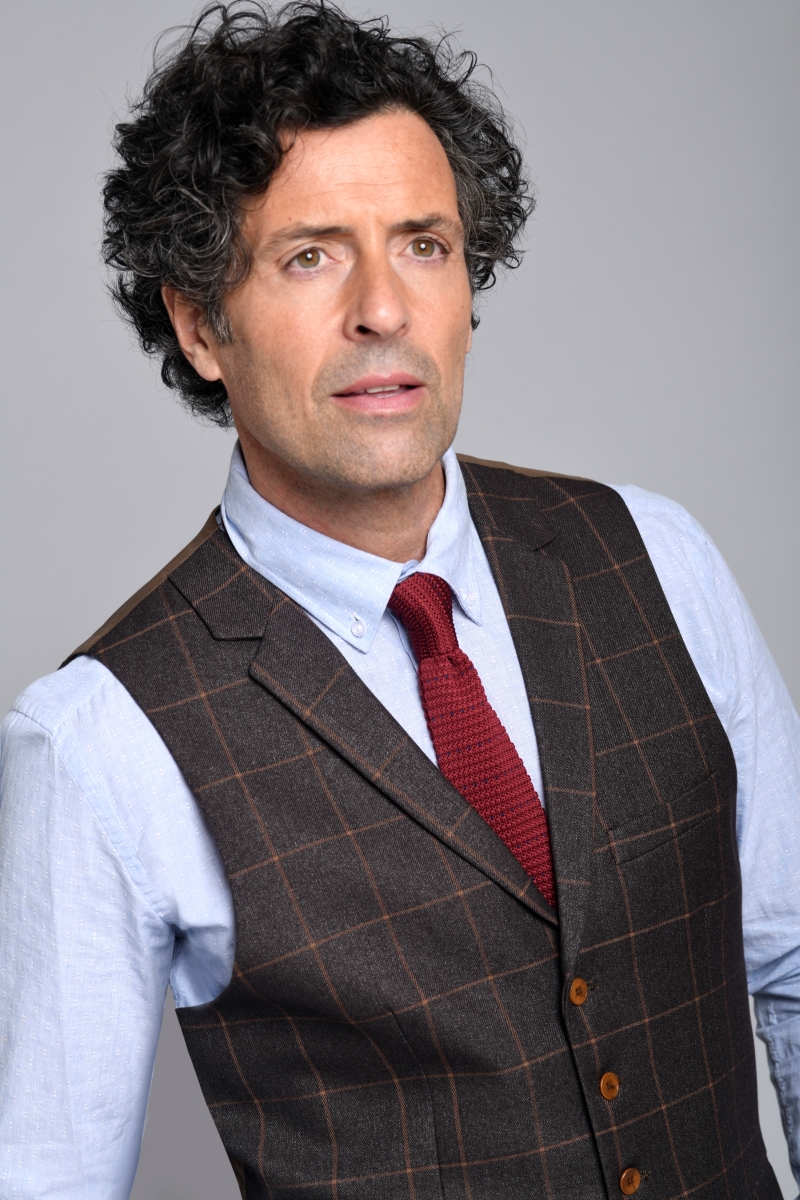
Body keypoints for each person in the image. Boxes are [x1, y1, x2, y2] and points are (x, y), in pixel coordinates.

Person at [1, 2, 799, 1197]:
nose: (382, 308)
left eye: (422, 244)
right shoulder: (98, 740)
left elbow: (789, 968)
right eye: (309, 255)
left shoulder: (654, 557)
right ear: (200, 323)